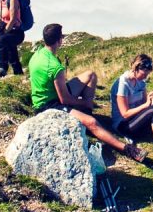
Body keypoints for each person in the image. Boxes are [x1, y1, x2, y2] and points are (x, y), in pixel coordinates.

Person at [30, 23, 146, 162]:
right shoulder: (55, 67)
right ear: (59, 40)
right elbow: (64, 100)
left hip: (46, 94)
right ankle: (128, 150)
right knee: (91, 122)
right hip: (48, 105)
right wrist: (83, 102)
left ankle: (86, 111)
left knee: (90, 75)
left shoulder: (38, 54)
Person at [111, 54, 153, 164]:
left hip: (137, 119)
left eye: (147, 74)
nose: (146, 77)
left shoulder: (141, 82)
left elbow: (144, 103)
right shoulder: (123, 83)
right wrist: (147, 105)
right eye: (144, 74)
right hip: (124, 124)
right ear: (136, 68)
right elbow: (125, 114)